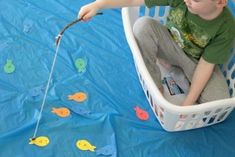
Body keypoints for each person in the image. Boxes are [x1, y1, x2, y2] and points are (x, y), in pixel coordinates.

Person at [78, 0, 235, 106]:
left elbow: (206, 64)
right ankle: (155, 83)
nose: (187, 1)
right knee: (142, 25)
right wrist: (99, 4)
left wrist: (188, 102)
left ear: (220, 2)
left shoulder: (226, 27)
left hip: (194, 61)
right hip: (168, 43)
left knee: (218, 101)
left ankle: (172, 69)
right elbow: (134, 1)